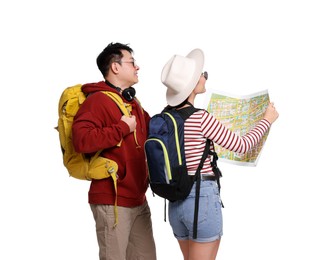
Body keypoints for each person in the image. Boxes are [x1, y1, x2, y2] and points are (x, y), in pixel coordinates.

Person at [161, 48, 279, 260]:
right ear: (192, 84)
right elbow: (243, 145)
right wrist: (267, 120)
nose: (205, 76)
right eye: (202, 74)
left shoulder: (164, 118)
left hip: (175, 203)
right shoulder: (200, 118)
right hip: (201, 198)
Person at [72, 42, 156, 260]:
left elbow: (152, 128)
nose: (137, 67)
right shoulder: (98, 100)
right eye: (132, 62)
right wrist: (121, 128)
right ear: (115, 67)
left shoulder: (131, 100)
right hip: (113, 200)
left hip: (138, 198)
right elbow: (81, 140)